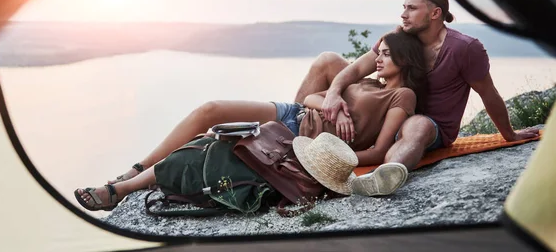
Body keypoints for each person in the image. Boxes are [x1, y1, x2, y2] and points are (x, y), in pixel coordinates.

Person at [74, 30, 427, 211]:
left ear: (405, 58)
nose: (377, 59)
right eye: (377, 53)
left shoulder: (401, 96)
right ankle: (138, 167)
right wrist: (333, 101)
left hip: (300, 145)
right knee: (211, 110)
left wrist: (328, 157)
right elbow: (307, 99)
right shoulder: (362, 81)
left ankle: (119, 191)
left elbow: (381, 150)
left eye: (386, 54)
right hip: (294, 116)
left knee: (210, 142)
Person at [294, 0, 541, 197]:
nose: (403, 14)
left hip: (427, 124)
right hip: (388, 110)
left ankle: (382, 177)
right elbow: (357, 68)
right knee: (327, 61)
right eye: (404, 7)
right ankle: (294, 131)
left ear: (435, 13)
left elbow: (488, 93)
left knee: (418, 125)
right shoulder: (400, 36)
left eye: (411, 8)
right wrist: (335, 93)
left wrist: (509, 135)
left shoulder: (465, 49)